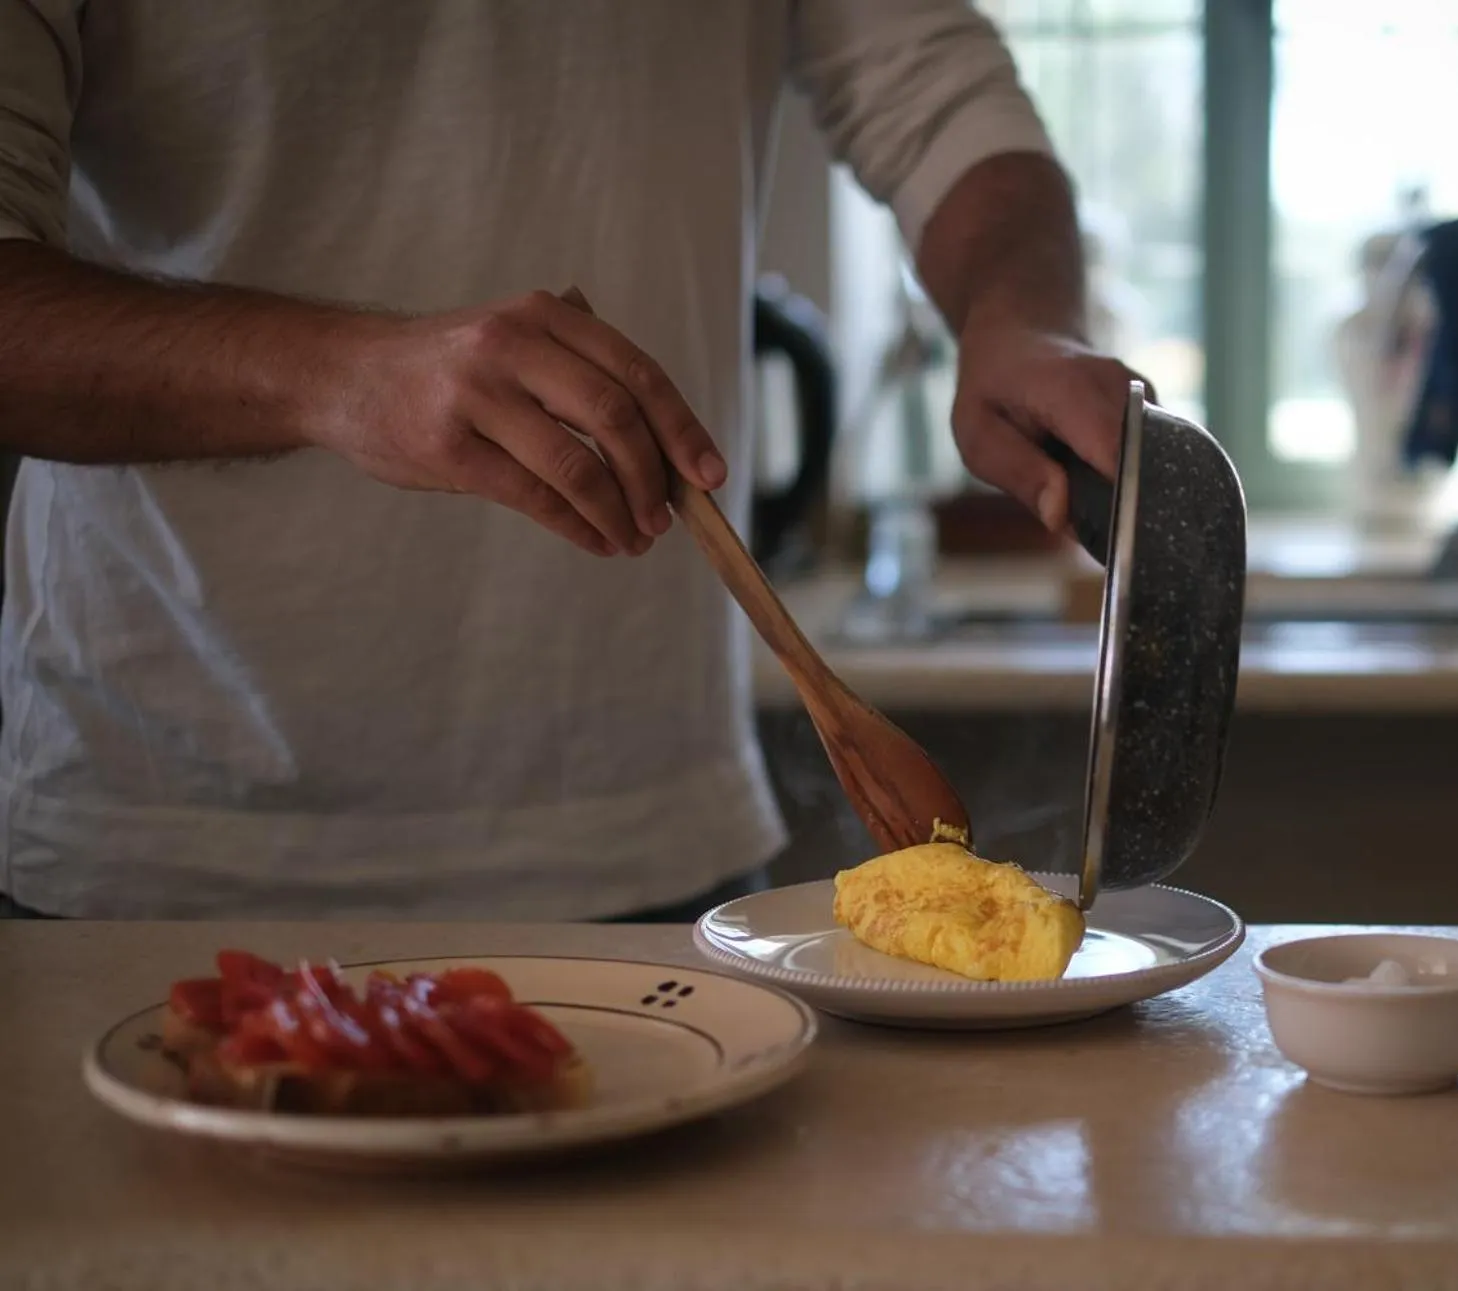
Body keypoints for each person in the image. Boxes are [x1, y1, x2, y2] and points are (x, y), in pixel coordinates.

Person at [0, 2, 1140, 920]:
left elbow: (943, 98)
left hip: (650, 840)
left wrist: (1021, 316)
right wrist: (340, 373)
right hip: (159, 847)